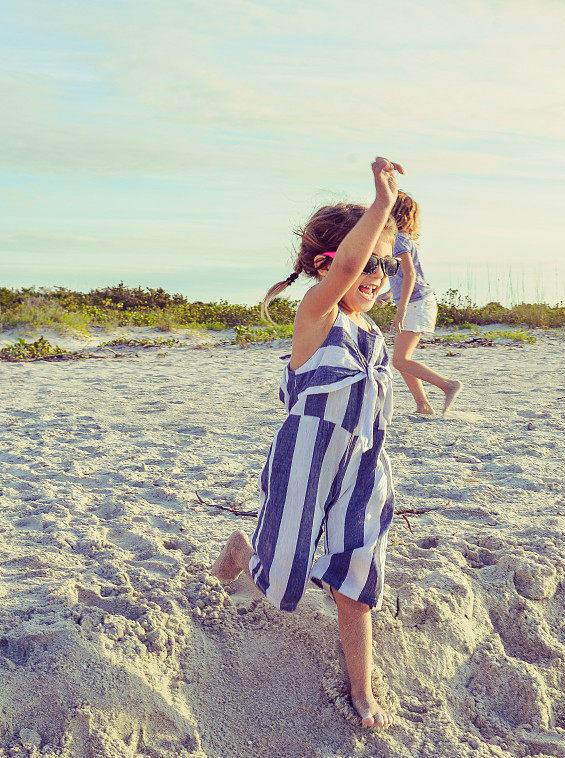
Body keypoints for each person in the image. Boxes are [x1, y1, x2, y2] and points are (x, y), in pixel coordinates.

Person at [211, 157, 404, 728]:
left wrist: (397, 241)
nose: (374, 275)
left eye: (383, 265)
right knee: (281, 578)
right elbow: (348, 266)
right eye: (363, 264)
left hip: (364, 462)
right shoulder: (317, 317)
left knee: (357, 574)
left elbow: (393, 266)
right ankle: (245, 553)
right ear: (326, 266)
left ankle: (361, 688)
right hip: (307, 458)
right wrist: (381, 206)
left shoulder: (372, 330)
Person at [381, 191, 461, 416]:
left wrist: (401, 309)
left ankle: (448, 385)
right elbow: (402, 277)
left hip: (417, 302)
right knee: (402, 359)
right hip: (417, 301)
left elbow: (411, 274)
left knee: (400, 360)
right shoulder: (400, 239)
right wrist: (389, 295)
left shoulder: (399, 240)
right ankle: (423, 406)